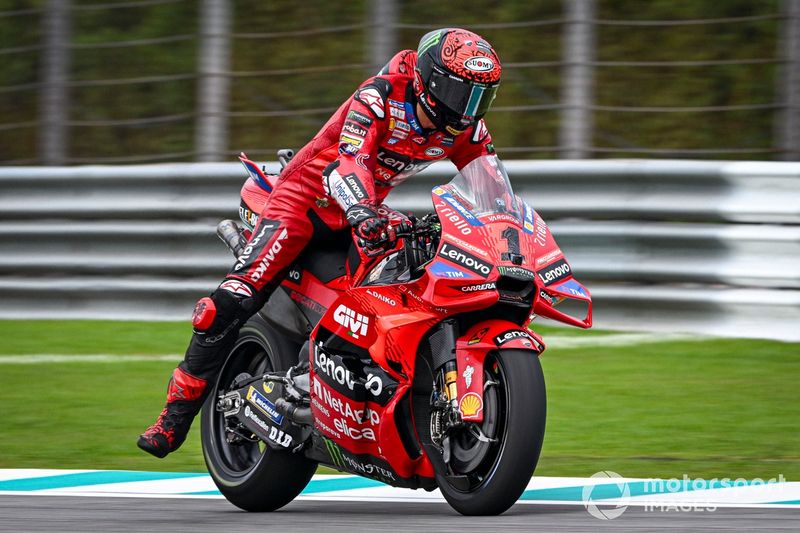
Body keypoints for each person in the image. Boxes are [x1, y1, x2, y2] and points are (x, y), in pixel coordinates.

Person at [138, 27, 503, 458]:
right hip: (304, 204)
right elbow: (349, 163)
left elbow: (492, 189)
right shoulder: (381, 96)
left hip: (361, 212)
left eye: (481, 97)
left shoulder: (465, 128)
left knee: (398, 286)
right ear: (432, 80)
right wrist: (363, 211)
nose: (469, 109)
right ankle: (172, 418)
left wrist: (502, 228)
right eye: (463, 94)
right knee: (231, 300)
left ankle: (360, 393)